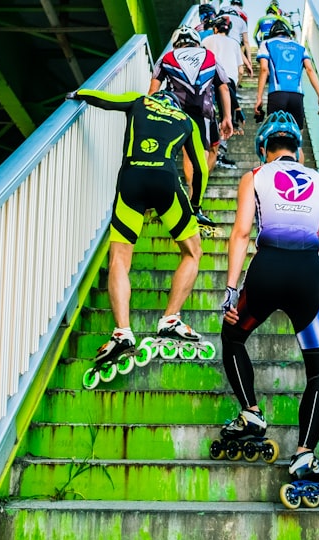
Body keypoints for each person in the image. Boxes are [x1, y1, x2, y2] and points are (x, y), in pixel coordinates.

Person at [220, 111, 319, 485]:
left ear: (263, 149)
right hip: (308, 275)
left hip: (266, 269)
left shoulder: (254, 176)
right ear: (299, 152)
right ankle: (304, 455)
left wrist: (231, 291)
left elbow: (241, 233)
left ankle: (251, 413)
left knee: (233, 337)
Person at [64, 88, 211, 367]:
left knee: (119, 258)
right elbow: (200, 169)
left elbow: (105, 99)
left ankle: (122, 332)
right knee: (193, 252)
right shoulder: (185, 119)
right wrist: (196, 205)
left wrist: (77, 93)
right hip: (166, 182)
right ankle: (170, 319)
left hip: (131, 178)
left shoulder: (139, 100)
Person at [149, 26, 233, 195]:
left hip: (176, 112)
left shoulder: (167, 57)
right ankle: (195, 196)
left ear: (175, 43)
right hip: (205, 112)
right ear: (197, 42)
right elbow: (224, 87)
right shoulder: (210, 56)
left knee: (190, 153)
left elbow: (153, 92)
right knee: (210, 152)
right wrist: (227, 117)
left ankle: (194, 190)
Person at [254, 20, 319, 129]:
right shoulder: (301, 48)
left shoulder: (266, 44)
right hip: (297, 95)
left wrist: (259, 97)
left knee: (274, 132)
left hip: (276, 93)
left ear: (272, 34)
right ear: (288, 34)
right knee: (298, 134)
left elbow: (264, 70)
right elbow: (310, 70)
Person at [202, 14, 253, 143]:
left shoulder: (207, 40)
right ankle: (230, 127)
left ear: (215, 28)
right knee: (227, 94)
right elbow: (240, 70)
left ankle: (214, 132)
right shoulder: (235, 43)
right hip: (230, 79)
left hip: (210, 77)